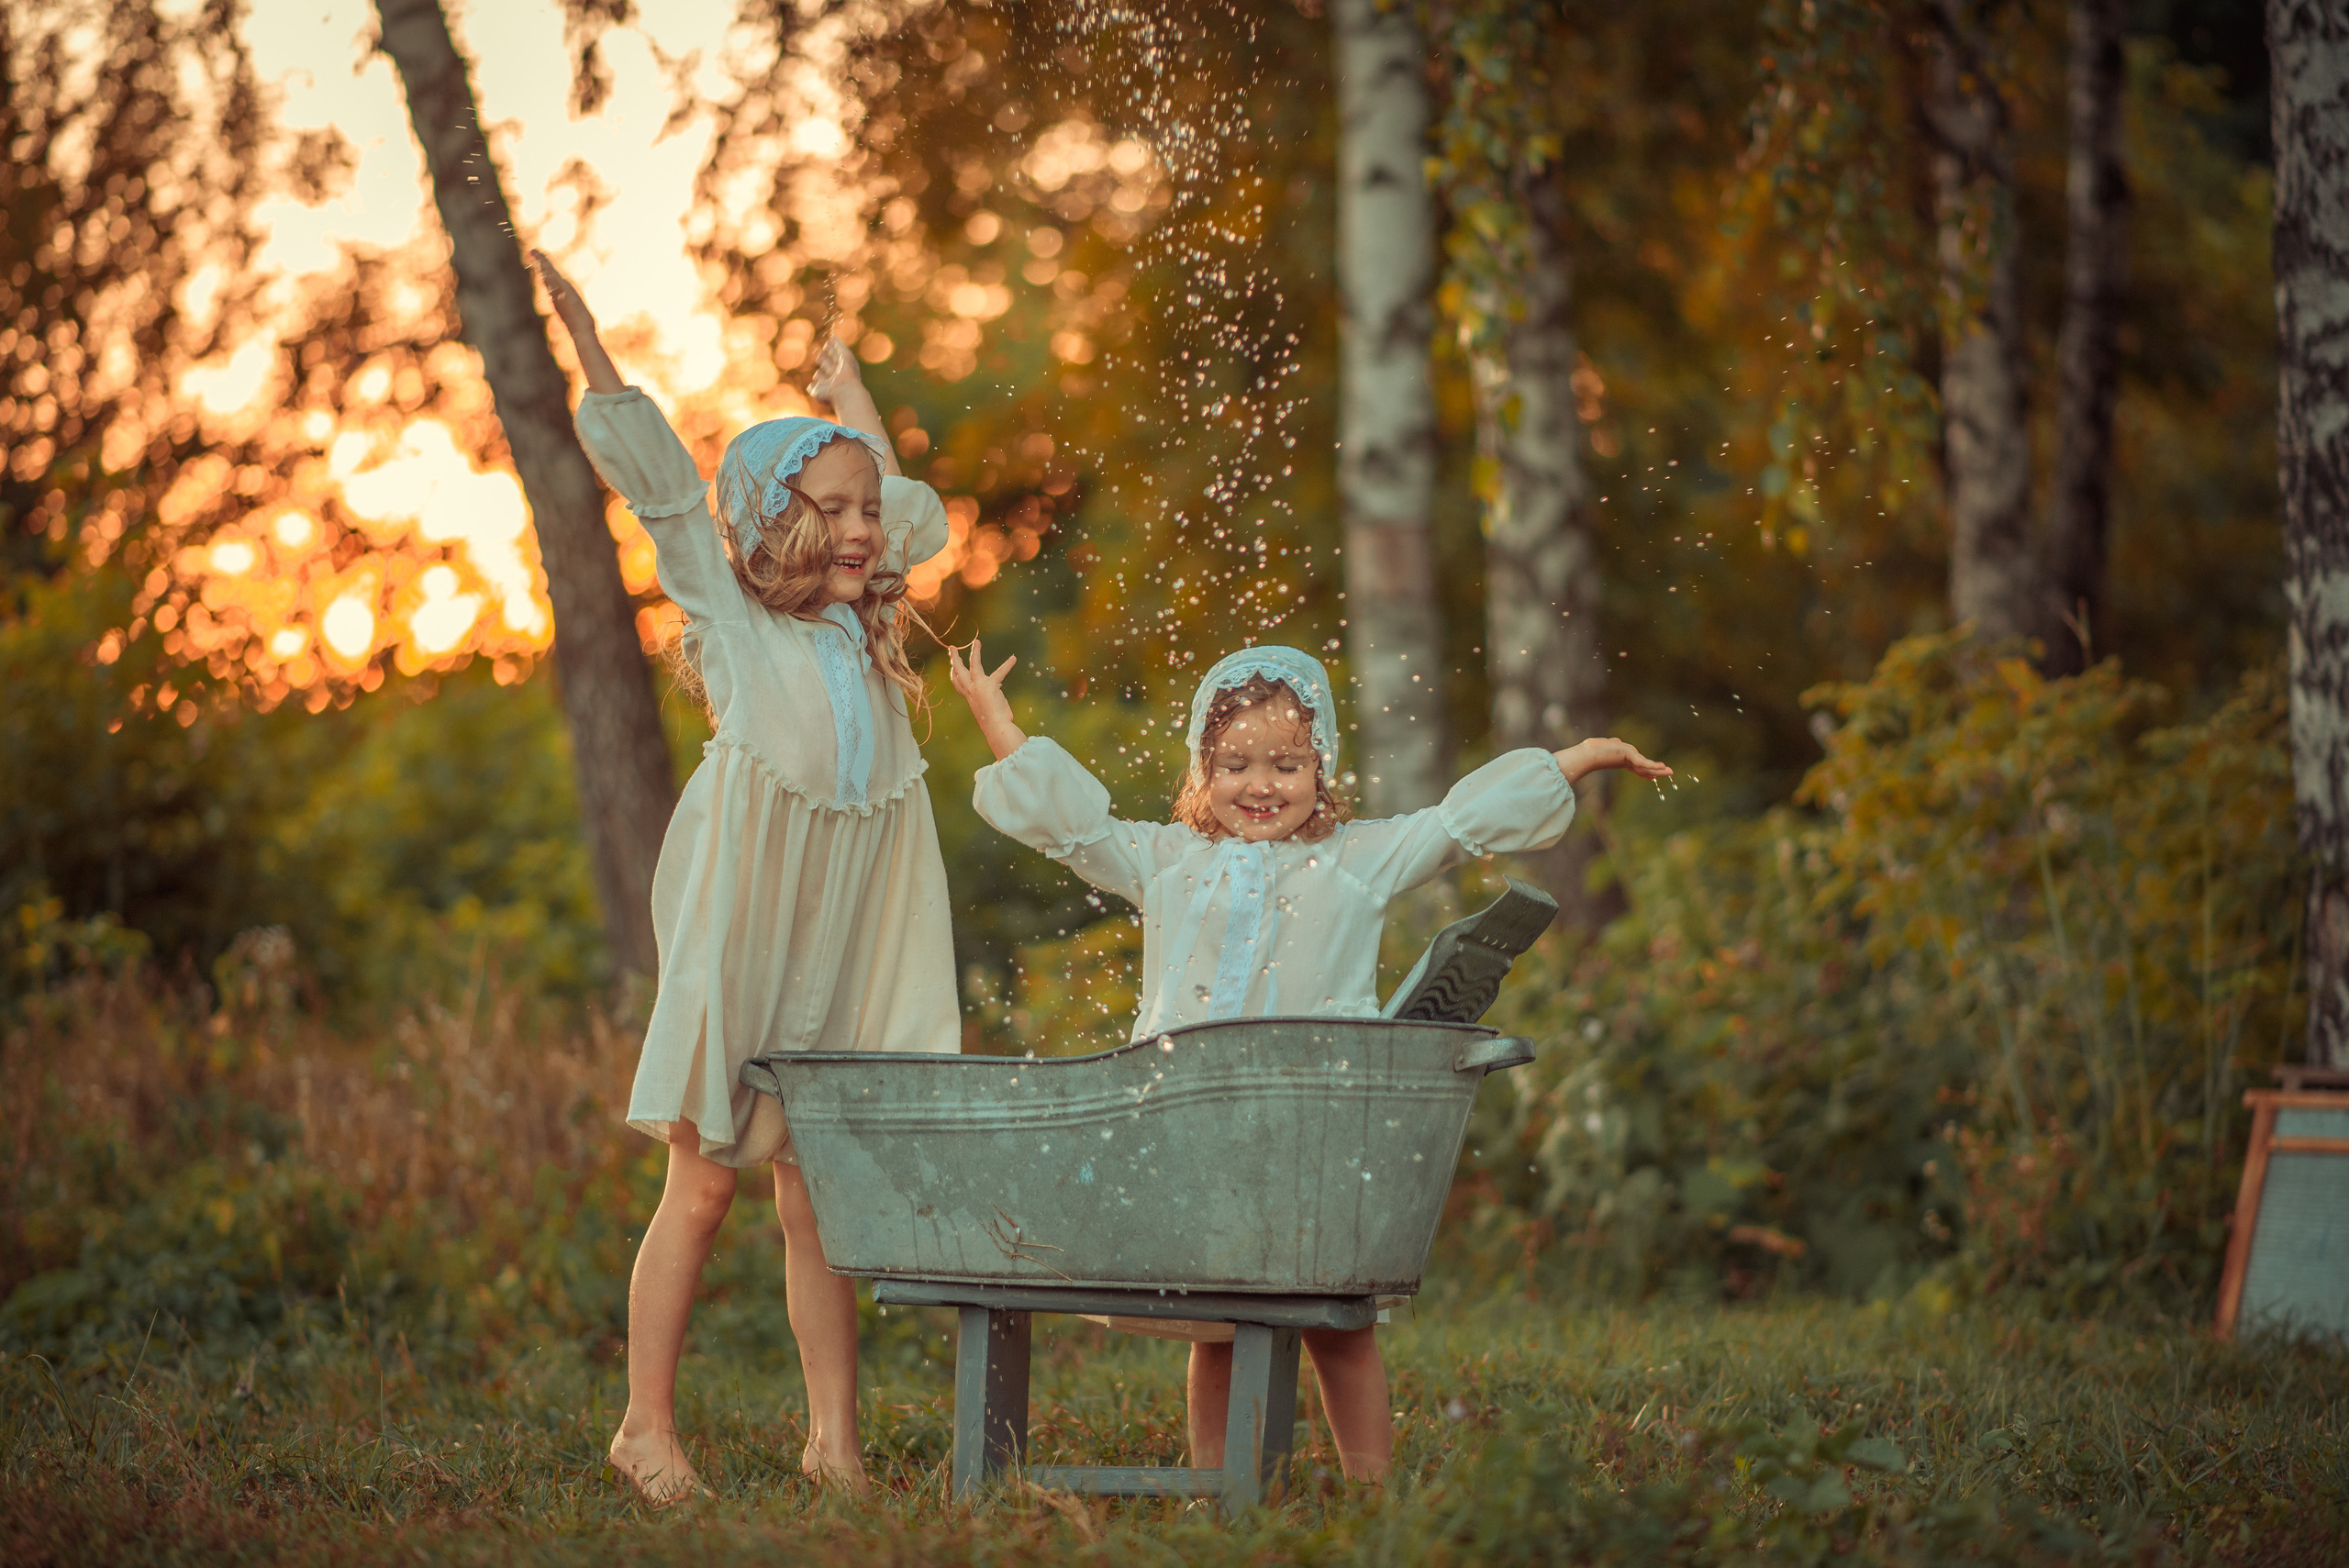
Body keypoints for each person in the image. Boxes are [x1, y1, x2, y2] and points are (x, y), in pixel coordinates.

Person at [946, 640, 1670, 1483]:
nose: (1262, 785)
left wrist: (1575, 759)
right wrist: (997, 723)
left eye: (1287, 764)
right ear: (1202, 768)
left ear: (1320, 765)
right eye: (1236, 764)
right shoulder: (1168, 862)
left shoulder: (1356, 861)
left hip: (1315, 1137)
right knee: (1216, 1324)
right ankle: (1219, 1490)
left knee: (1337, 1322)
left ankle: (1373, 1491)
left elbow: (1455, 823)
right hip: (1198, 1136)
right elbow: (1074, 829)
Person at [537, 251, 960, 1503]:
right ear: (775, 515)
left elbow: (918, 509)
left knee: (817, 1190)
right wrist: (590, 352)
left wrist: (854, 403)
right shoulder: (729, 611)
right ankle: (644, 1427)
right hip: (751, 923)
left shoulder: (862, 617)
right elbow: (664, 489)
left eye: (863, 513)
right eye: (830, 509)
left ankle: (835, 1438)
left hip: (849, 924)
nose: (862, 533)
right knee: (706, 1181)